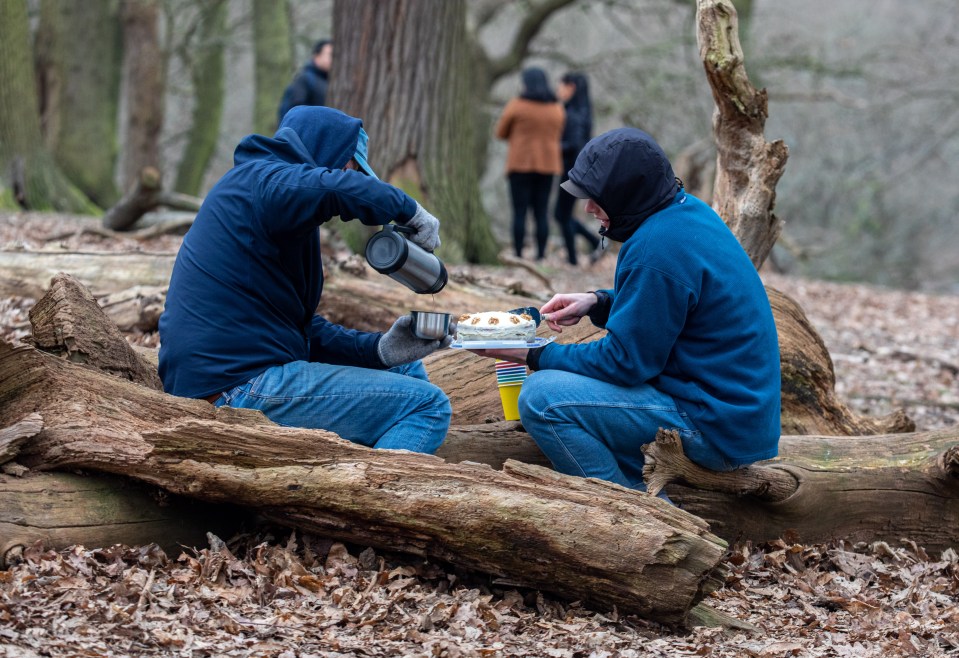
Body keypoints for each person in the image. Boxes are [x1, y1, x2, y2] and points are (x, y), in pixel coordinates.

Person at [468, 127, 781, 493]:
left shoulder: (655, 248)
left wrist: (534, 353)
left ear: (625, 194)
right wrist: (599, 302)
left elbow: (625, 363)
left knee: (542, 398)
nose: (587, 208)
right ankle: (638, 482)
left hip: (714, 428)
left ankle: (640, 513)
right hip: (738, 420)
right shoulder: (687, 212)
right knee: (562, 390)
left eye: (596, 198)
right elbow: (671, 306)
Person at [158, 106, 454, 455]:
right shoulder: (264, 183)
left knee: (405, 366)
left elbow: (300, 328)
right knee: (427, 406)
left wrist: (378, 349)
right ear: (330, 157)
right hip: (234, 387)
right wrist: (408, 210)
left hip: (238, 374)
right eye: (353, 168)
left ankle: (381, 453)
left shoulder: (272, 204)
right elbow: (334, 189)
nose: (354, 176)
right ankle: (369, 498)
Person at [494, 67, 565, 261]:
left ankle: (518, 254)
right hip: (548, 166)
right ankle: (540, 255)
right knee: (541, 213)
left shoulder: (517, 105)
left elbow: (500, 132)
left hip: (520, 165)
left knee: (519, 212)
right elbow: (559, 133)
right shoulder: (556, 109)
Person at [554, 72, 602, 266]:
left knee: (561, 214)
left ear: (571, 87)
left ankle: (575, 258)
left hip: (572, 172)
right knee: (562, 214)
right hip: (575, 170)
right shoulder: (580, 110)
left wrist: (553, 148)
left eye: (561, 85)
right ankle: (591, 245)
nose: (558, 90)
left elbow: (575, 145)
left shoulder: (573, 114)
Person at [277, 39, 333, 123]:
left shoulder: (327, 81)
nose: (333, 59)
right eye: (330, 55)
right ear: (316, 56)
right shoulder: (304, 79)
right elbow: (296, 111)